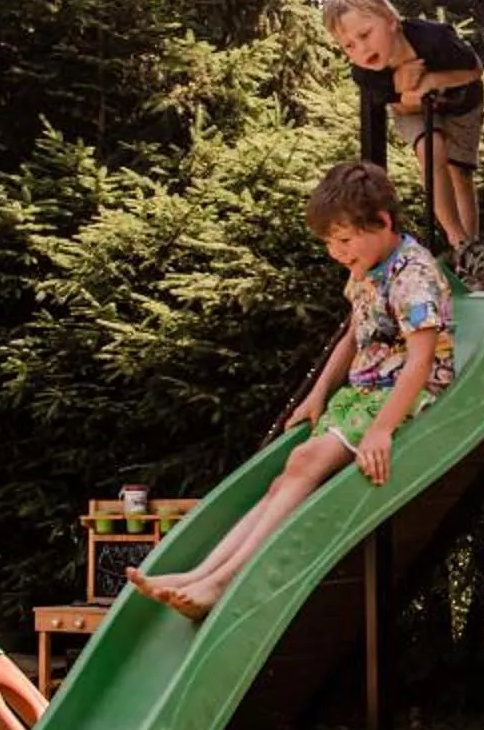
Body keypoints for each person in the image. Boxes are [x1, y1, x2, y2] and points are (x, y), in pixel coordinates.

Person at [126, 160, 452, 619]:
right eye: (328, 243)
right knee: (288, 474)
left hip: (401, 392)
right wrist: (318, 393)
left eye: (344, 240)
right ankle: (202, 573)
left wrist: (382, 431)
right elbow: (351, 334)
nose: (337, 252)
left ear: (381, 222)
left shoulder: (413, 276)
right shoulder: (367, 268)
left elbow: (421, 361)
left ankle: (221, 582)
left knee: (306, 462)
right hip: (365, 390)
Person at [319, 0, 484, 290]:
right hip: (413, 110)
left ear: (392, 21)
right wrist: (406, 91)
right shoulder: (365, 73)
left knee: (461, 174)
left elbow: (474, 70)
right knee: (430, 148)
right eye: (349, 45)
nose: (361, 49)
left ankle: (472, 256)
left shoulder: (434, 38)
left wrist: (432, 79)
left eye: (365, 34)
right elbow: (401, 106)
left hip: (462, 103)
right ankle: (460, 241)